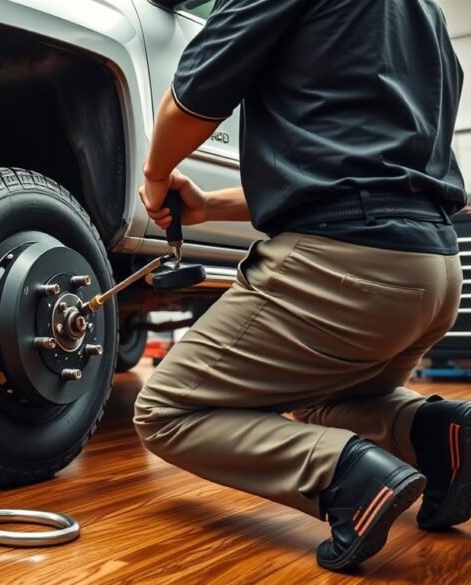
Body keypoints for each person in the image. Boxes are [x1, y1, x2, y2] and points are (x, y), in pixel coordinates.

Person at [133, 0, 467, 572]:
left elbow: (193, 100)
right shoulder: (425, 14)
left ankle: (347, 480)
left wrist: (156, 174)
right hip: (431, 269)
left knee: (165, 410)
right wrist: (211, 205)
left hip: (347, 269)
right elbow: (361, 165)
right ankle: (443, 439)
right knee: (330, 398)